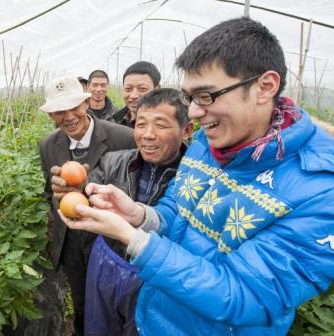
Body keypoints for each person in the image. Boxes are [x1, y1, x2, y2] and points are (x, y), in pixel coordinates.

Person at [61, 17, 334, 335]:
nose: (192, 112)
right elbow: (176, 211)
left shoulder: (320, 192)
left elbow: (242, 296)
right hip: (155, 317)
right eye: (190, 98)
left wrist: (134, 239)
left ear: (264, 87)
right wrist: (137, 214)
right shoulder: (208, 141)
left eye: (206, 96)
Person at [85, 88, 192, 335]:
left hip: (156, 273)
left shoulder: (194, 178)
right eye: (141, 124)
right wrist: (71, 189)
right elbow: (86, 192)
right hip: (107, 262)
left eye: (161, 125)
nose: (147, 135)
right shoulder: (113, 161)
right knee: (100, 326)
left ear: (187, 130)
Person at [39, 76, 136, 335]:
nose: (68, 116)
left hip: (110, 238)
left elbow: (136, 190)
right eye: (59, 111)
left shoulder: (123, 138)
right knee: (82, 302)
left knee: (116, 302)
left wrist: (88, 192)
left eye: (74, 107)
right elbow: (50, 193)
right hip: (71, 240)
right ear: (51, 115)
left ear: (85, 103)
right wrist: (62, 200)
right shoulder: (48, 145)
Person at [109, 61, 160, 128]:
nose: (133, 96)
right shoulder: (113, 122)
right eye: (128, 88)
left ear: (157, 90)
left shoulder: (165, 126)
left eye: (142, 88)